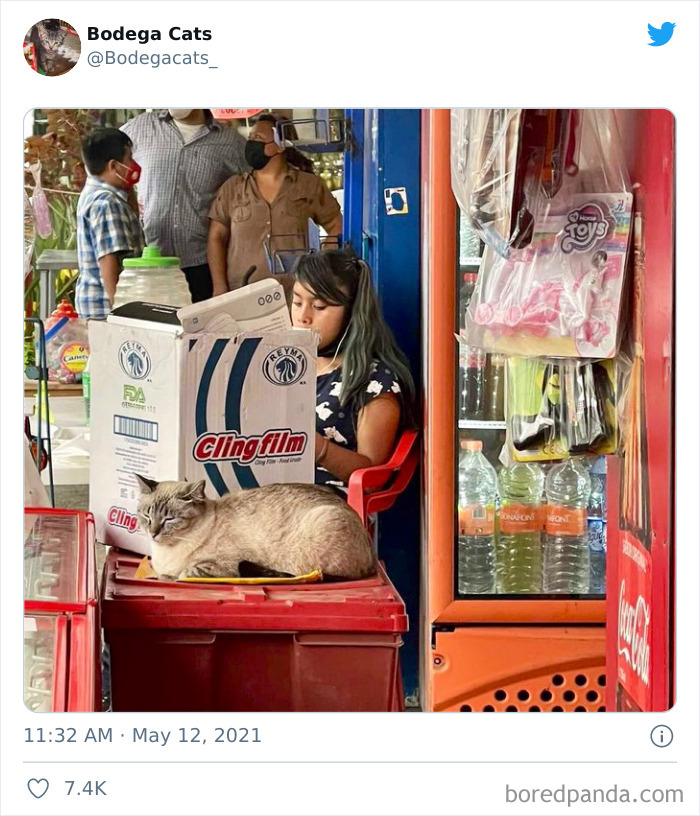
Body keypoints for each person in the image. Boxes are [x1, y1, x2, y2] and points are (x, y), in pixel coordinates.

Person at [291, 250, 415, 492]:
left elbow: (371, 479)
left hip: (321, 502)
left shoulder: (375, 381)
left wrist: (313, 446)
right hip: (269, 493)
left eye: (319, 306)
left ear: (351, 314)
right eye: (297, 303)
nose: (303, 317)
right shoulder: (285, 363)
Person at [121, 109, 247, 302]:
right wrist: (130, 203)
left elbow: (249, 188)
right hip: (149, 263)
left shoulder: (230, 142)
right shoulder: (140, 127)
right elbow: (106, 163)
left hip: (201, 265)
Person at [207, 114, 343, 293]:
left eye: (258, 138)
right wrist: (219, 286)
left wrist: (319, 267)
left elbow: (336, 225)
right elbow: (216, 237)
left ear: (280, 145)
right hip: (242, 294)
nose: (251, 143)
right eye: (251, 137)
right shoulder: (233, 188)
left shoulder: (309, 185)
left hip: (295, 296)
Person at [75, 129, 143, 320]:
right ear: (114, 166)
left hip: (98, 305)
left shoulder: (94, 193)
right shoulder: (107, 203)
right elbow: (109, 259)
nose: (134, 165)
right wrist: (120, 313)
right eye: (129, 158)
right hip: (106, 308)